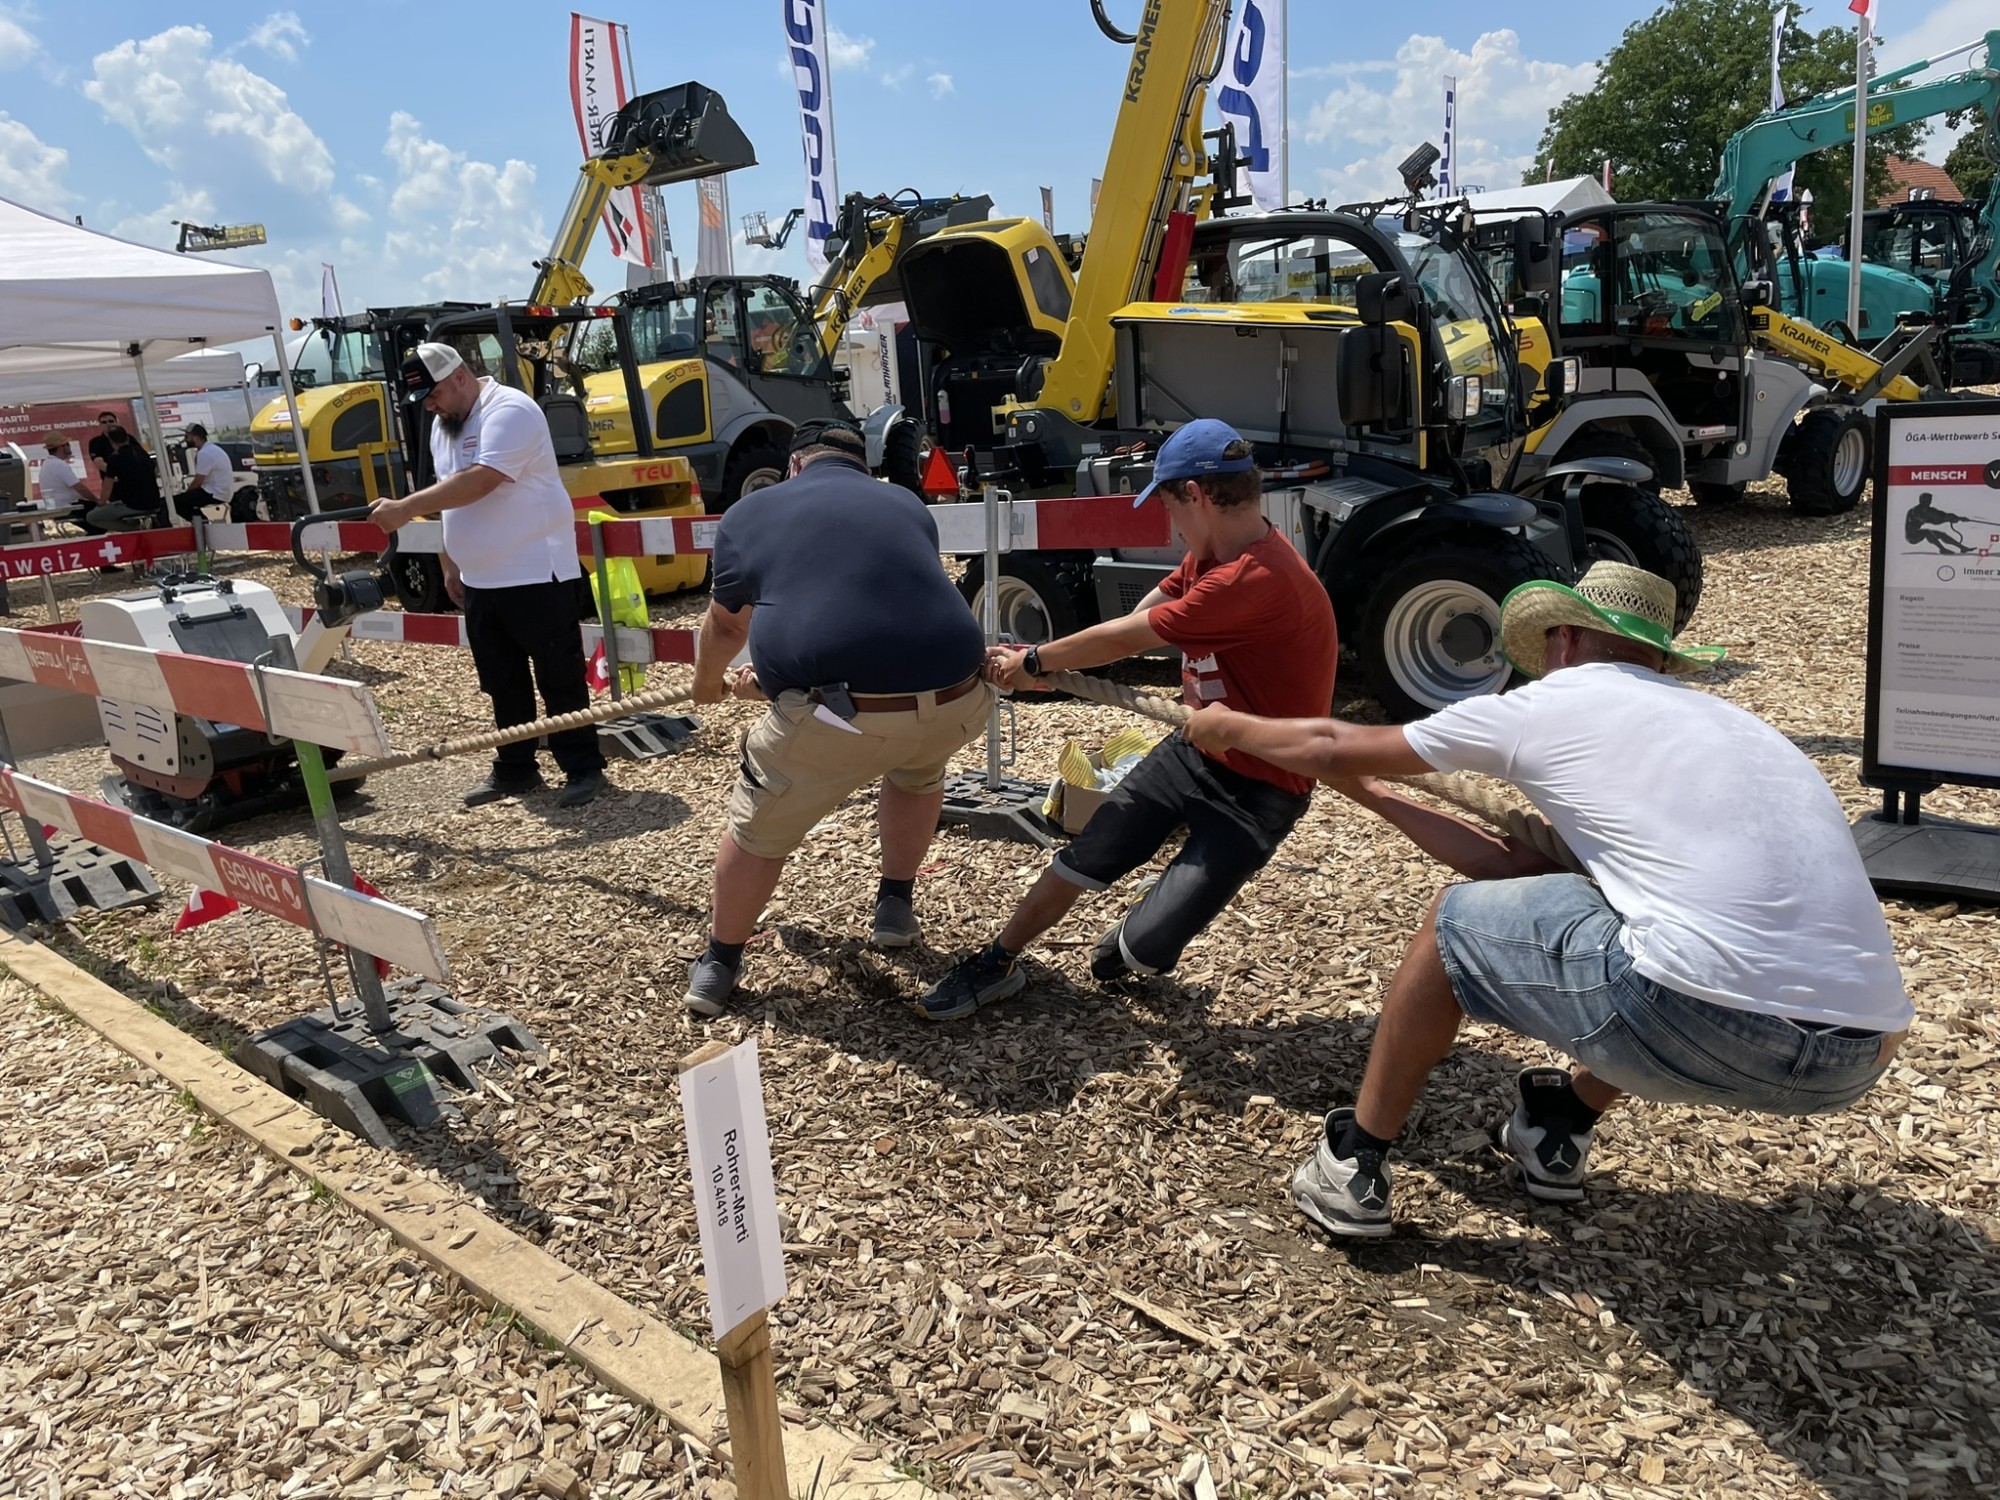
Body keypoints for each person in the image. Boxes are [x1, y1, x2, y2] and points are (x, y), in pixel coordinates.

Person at [1184, 562, 1913, 1239]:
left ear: (1563, 638)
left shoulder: (1556, 700)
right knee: (1655, 921)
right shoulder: (1742, 733)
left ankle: (1355, 1163)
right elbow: (1518, 866)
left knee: (1451, 925)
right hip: (1858, 1058)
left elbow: (1333, 742)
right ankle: (1559, 1123)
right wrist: (1374, 797)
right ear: (1657, 659)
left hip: (1691, 1020)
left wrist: (1227, 727)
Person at [916, 418, 1339, 1021]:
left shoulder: (1255, 579)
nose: (1170, 525)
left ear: (1194, 495)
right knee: (1085, 855)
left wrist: (1036, 659)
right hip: (1194, 751)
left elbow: (1130, 635)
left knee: (1134, 959)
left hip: (1264, 787)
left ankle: (1140, 934)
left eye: (1170, 507)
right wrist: (1061, 665)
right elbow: (1153, 610)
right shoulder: (1217, 552)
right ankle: (998, 959)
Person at [684, 418, 992, 1017]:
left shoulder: (751, 513)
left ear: (796, 465)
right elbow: (876, 600)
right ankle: (896, 907)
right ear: (862, 467)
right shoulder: (905, 503)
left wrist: (706, 685)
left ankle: (720, 961)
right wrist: (775, 680)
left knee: (757, 831)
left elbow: (727, 623)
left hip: (840, 717)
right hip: (959, 699)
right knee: (917, 772)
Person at [369, 342, 608, 810]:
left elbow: (480, 481)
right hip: (482, 578)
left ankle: (582, 767)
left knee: (559, 676)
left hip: (537, 571)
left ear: (459, 376)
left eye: (433, 394)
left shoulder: (511, 410)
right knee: (501, 680)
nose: (430, 406)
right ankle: (516, 767)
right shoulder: (444, 425)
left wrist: (404, 510)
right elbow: (447, 496)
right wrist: (449, 558)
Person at [85, 426, 165, 532]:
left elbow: (107, 486)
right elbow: (154, 471)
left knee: (92, 517)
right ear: (127, 437)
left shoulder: (115, 457)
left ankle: (133, 530)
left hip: (132, 506)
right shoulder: (141, 453)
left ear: (111, 441)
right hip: (154, 503)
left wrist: (101, 503)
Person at [176, 423, 234, 522]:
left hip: (214, 493)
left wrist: (186, 493)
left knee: (172, 503)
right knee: (185, 501)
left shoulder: (205, 453)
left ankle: (202, 523)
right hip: (221, 492)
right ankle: (201, 522)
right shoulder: (213, 449)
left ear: (195, 437)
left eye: (187, 436)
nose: (185, 439)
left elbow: (198, 481)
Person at [35, 434, 89, 512]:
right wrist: (98, 501)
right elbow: (79, 488)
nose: (69, 446)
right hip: (69, 507)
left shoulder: (48, 464)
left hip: (59, 507)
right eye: (67, 444)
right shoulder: (59, 464)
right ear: (61, 447)